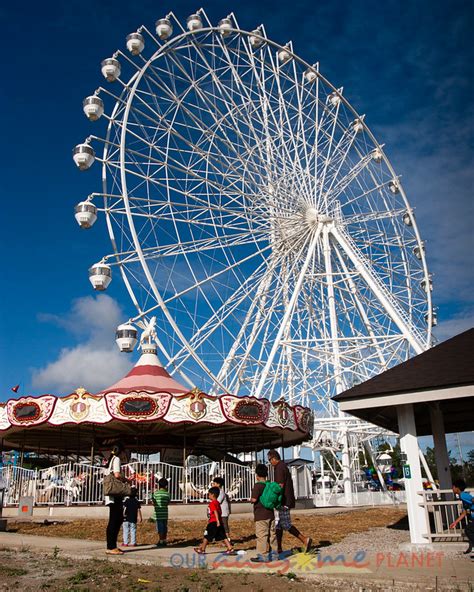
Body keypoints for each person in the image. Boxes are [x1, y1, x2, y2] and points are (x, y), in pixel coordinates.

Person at [267, 449, 312, 554]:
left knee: (286, 524)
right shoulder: (284, 466)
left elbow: (279, 486)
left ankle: (304, 539)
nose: (270, 462)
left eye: (270, 460)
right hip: (287, 499)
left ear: (274, 458)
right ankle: (278, 547)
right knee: (279, 524)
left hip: (283, 500)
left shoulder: (279, 468)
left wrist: (272, 496)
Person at [104, 442, 130, 555]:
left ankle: (112, 545)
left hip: (112, 495)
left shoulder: (111, 460)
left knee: (116, 519)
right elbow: (117, 475)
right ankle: (111, 546)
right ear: (122, 451)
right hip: (115, 495)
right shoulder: (117, 459)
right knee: (115, 519)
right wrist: (127, 480)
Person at [194, 487, 234, 555]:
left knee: (206, 536)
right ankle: (230, 548)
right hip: (219, 522)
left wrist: (217, 521)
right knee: (223, 536)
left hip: (213, 522)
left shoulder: (212, 503)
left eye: (209, 494)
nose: (208, 496)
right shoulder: (217, 503)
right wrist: (219, 521)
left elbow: (215, 511)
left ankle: (202, 549)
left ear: (212, 495)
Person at [249, 464, 277, 562]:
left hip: (260, 515)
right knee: (272, 535)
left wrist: (251, 500)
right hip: (271, 514)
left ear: (257, 475)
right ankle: (275, 555)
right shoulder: (269, 485)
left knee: (262, 536)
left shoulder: (257, 486)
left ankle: (263, 556)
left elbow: (254, 499)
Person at [449, 478, 474, 558]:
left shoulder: (463, 495)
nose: (452, 488)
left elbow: (473, 499)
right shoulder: (462, 496)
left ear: (457, 488)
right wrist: (455, 522)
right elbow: (464, 513)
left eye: (453, 487)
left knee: (468, 530)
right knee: (469, 530)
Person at [211, 476, 231, 545]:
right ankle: (220, 539)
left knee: (225, 526)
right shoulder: (217, 492)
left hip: (223, 513)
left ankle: (228, 540)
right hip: (220, 512)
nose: (213, 485)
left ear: (218, 484)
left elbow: (217, 502)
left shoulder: (221, 492)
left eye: (214, 483)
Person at [152, 478, 170, 546]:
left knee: (159, 528)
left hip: (158, 514)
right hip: (165, 513)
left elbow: (153, 503)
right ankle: (164, 540)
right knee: (165, 527)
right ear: (166, 486)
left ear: (159, 485)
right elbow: (168, 502)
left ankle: (161, 540)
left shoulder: (155, 494)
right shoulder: (167, 494)